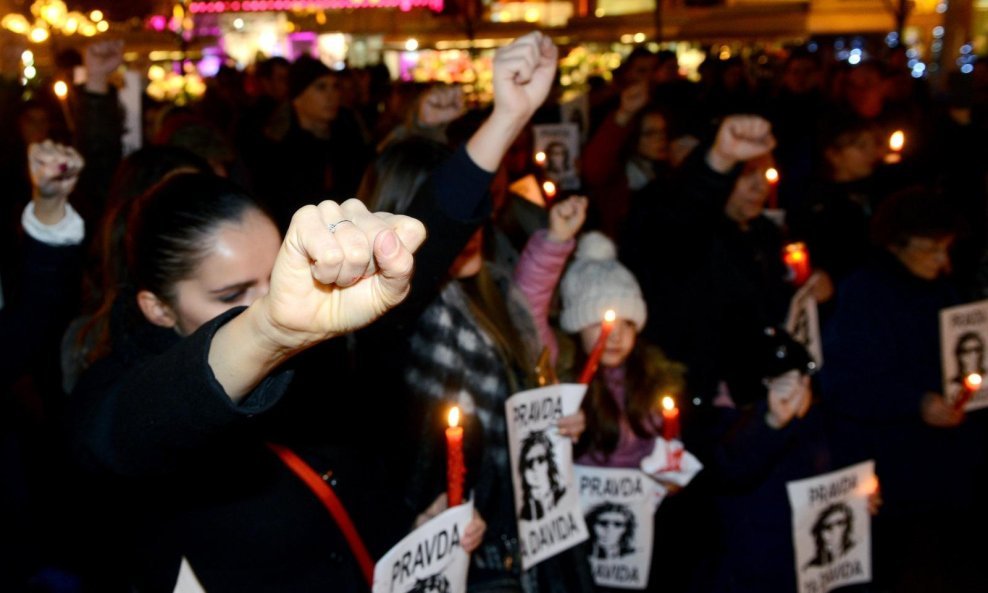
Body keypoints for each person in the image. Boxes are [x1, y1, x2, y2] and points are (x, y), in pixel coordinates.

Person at [820, 187, 986, 592]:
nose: (943, 261)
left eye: (946, 250)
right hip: (890, 469)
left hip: (941, 471)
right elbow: (844, 383)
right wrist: (916, 401)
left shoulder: (940, 289)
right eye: (932, 249)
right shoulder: (863, 293)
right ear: (898, 244)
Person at [519, 430, 567, 521]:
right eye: (529, 463)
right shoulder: (524, 513)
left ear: (550, 464)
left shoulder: (565, 498)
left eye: (540, 460)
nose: (534, 468)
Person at [804, 501, 856, 569]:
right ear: (820, 532)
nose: (837, 530)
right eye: (828, 527)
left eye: (840, 523)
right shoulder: (812, 568)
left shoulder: (857, 550)